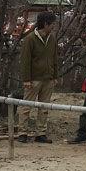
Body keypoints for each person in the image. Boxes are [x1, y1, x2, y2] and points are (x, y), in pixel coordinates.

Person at [17, 11, 58, 143]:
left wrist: (55, 76)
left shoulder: (52, 39)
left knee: (44, 107)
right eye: (52, 24)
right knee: (26, 107)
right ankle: (22, 132)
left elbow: (54, 58)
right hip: (34, 79)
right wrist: (26, 79)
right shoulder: (30, 39)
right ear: (45, 24)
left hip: (48, 78)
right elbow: (25, 61)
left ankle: (41, 132)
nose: (53, 27)